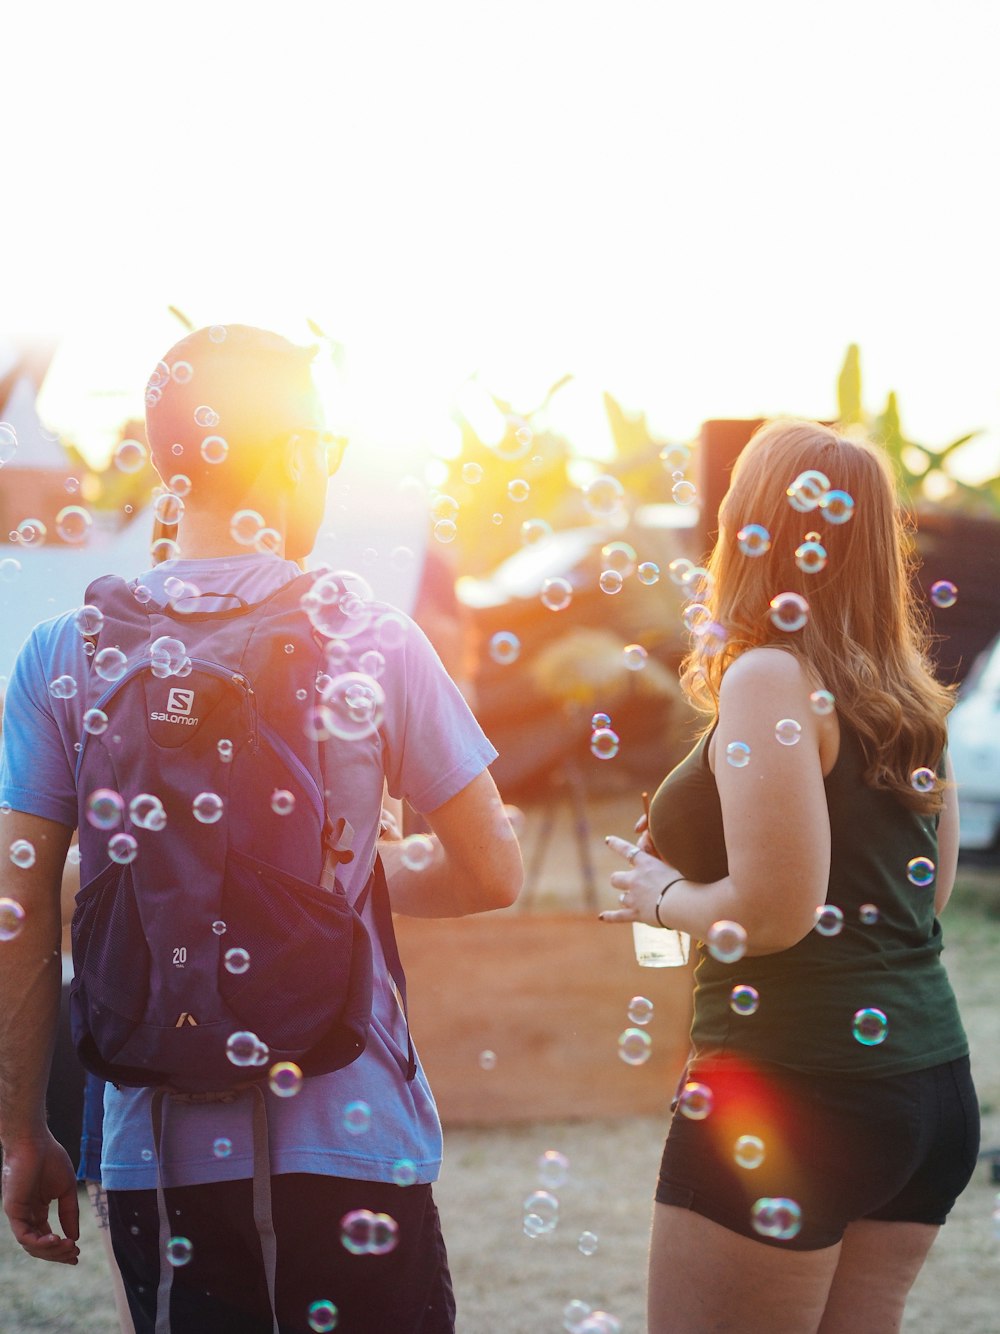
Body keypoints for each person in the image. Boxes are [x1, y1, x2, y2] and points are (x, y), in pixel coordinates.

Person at [0, 323, 523, 1333]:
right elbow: (491, 871)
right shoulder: (373, 637)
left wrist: (20, 1129)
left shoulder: (59, 652)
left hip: (153, 1143)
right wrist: (355, 862)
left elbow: (21, 912)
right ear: (290, 454)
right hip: (351, 1130)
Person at [600, 418, 978, 1334]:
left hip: (797, 1087)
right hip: (926, 1091)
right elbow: (926, 895)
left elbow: (774, 915)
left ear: (747, 526)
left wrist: (657, 896)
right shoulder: (905, 689)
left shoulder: (770, 674)